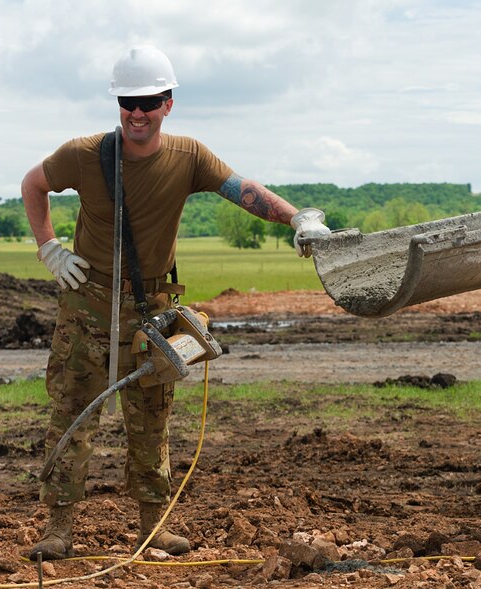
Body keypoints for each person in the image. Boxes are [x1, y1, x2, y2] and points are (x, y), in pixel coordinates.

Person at [21, 45, 331, 560]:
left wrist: (299, 218)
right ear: (118, 105)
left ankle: (154, 526)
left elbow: (243, 190)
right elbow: (34, 184)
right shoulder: (82, 153)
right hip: (89, 309)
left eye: (149, 101)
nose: (137, 112)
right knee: (72, 418)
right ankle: (58, 529)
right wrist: (48, 247)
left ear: (168, 104)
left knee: (151, 420)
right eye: (128, 102)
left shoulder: (189, 157)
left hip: (152, 314)